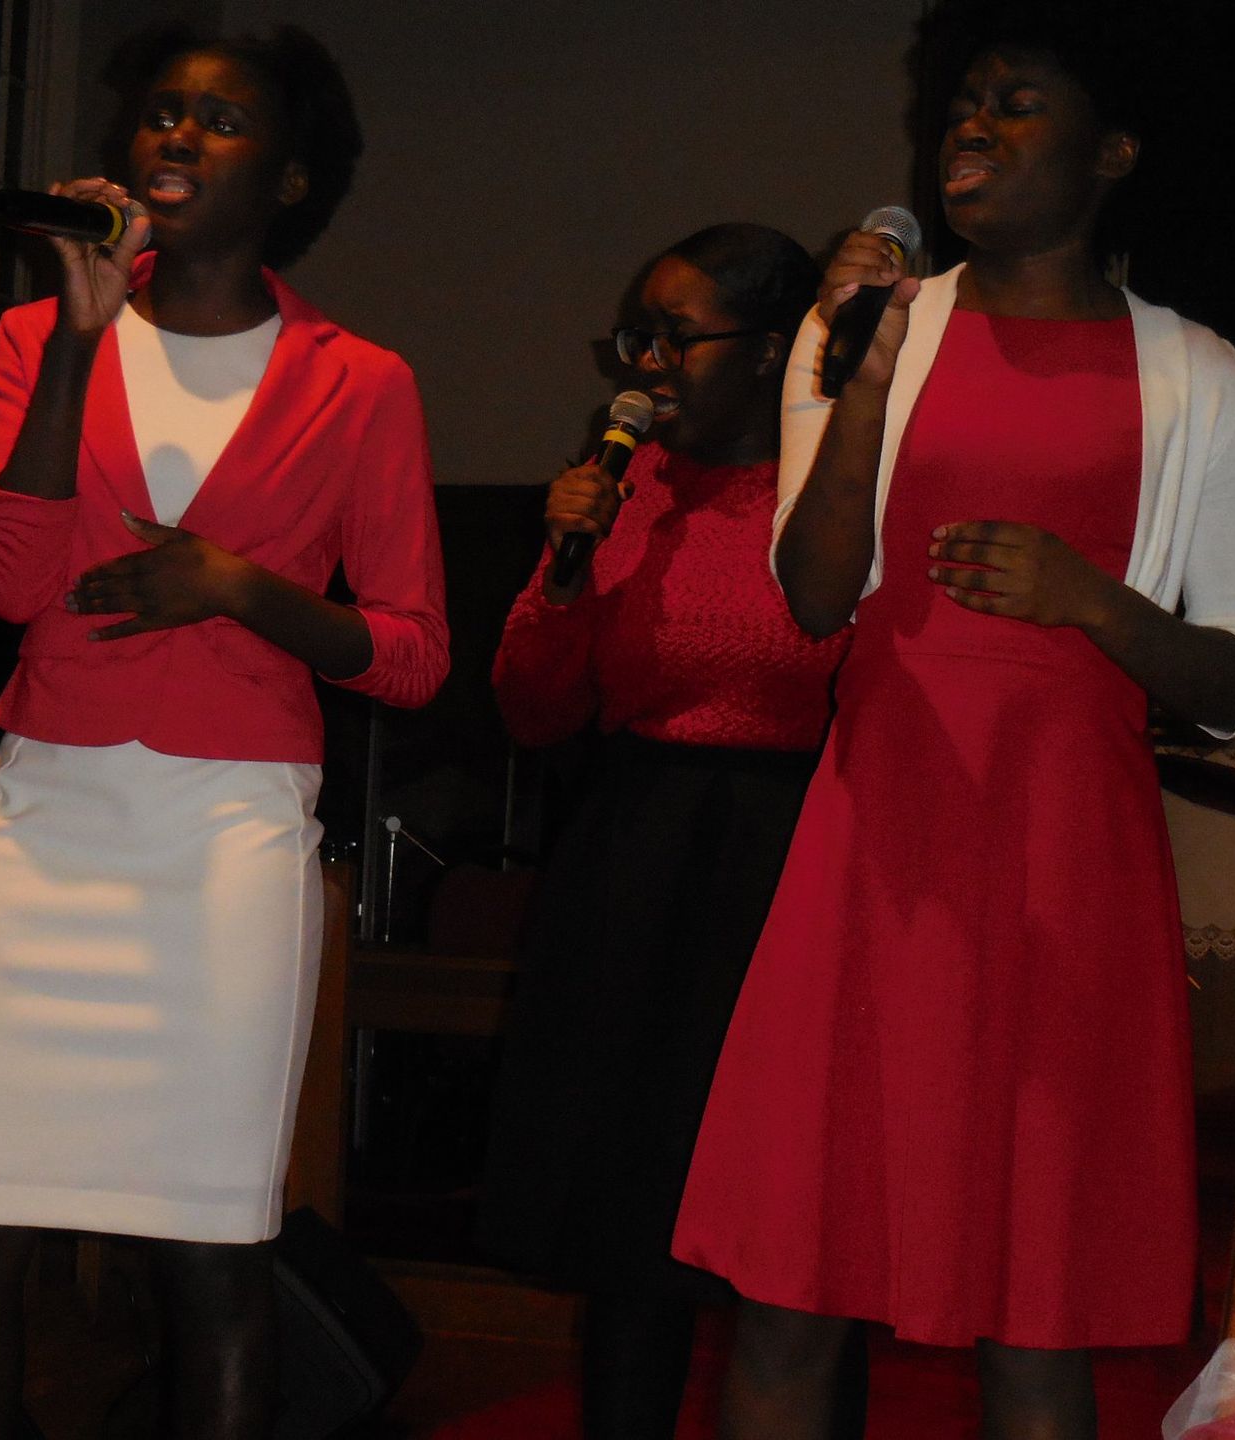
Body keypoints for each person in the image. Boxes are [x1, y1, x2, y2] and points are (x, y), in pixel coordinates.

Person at [669, 5, 1235, 1438]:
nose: (971, 126)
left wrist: (1097, 604)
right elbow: (814, 600)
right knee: (790, 1285)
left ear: (1113, 148)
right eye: (961, 103)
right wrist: (868, 375)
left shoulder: (1197, 372)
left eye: (1016, 104)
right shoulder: (870, 331)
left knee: (1038, 1308)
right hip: (878, 838)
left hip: (1066, 863)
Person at [0, 28, 448, 1440]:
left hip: (225, 840)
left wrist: (242, 590)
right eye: (161, 113)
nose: (175, 139)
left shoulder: (361, 381)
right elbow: (11, 584)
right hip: (45, 817)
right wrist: (83, 341)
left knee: (210, 1262)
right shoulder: (41, 335)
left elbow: (411, 657)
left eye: (219, 122)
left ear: (289, 177)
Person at [479, 224, 853, 1440]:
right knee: (629, 1227)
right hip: (635, 865)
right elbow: (535, 712)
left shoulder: (840, 490)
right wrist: (567, 565)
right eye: (636, 336)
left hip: (792, 870)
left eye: (675, 339)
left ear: (773, 355)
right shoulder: (624, 484)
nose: (643, 366)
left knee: (792, 1240)